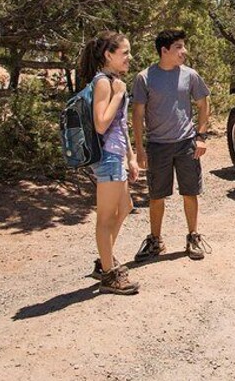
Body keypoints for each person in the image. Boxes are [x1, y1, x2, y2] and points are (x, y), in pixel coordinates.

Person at [132, 29, 211, 262]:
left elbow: (204, 105)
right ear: (164, 50)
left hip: (187, 144)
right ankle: (155, 241)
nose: (183, 51)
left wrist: (201, 136)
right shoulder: (144, 77)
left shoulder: (190, 75)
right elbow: (137, 114)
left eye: (183, 46)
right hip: (157, 145)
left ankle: (193, 237)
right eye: (178, 47)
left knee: (190, 192)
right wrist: (139, 148)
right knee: (157, 196)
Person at [80, 31, 140, 295]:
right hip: (106, 157)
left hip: (117, 156)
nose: (130, 57)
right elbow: (102, 123)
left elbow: (121, 126)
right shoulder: (104, 83)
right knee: (105, 217)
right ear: (108, 55)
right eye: (124, 52)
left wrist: (132, 157)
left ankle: (104, 260)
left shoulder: (114, 82)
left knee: (125, 206)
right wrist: (117, 95)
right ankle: (108, 274)